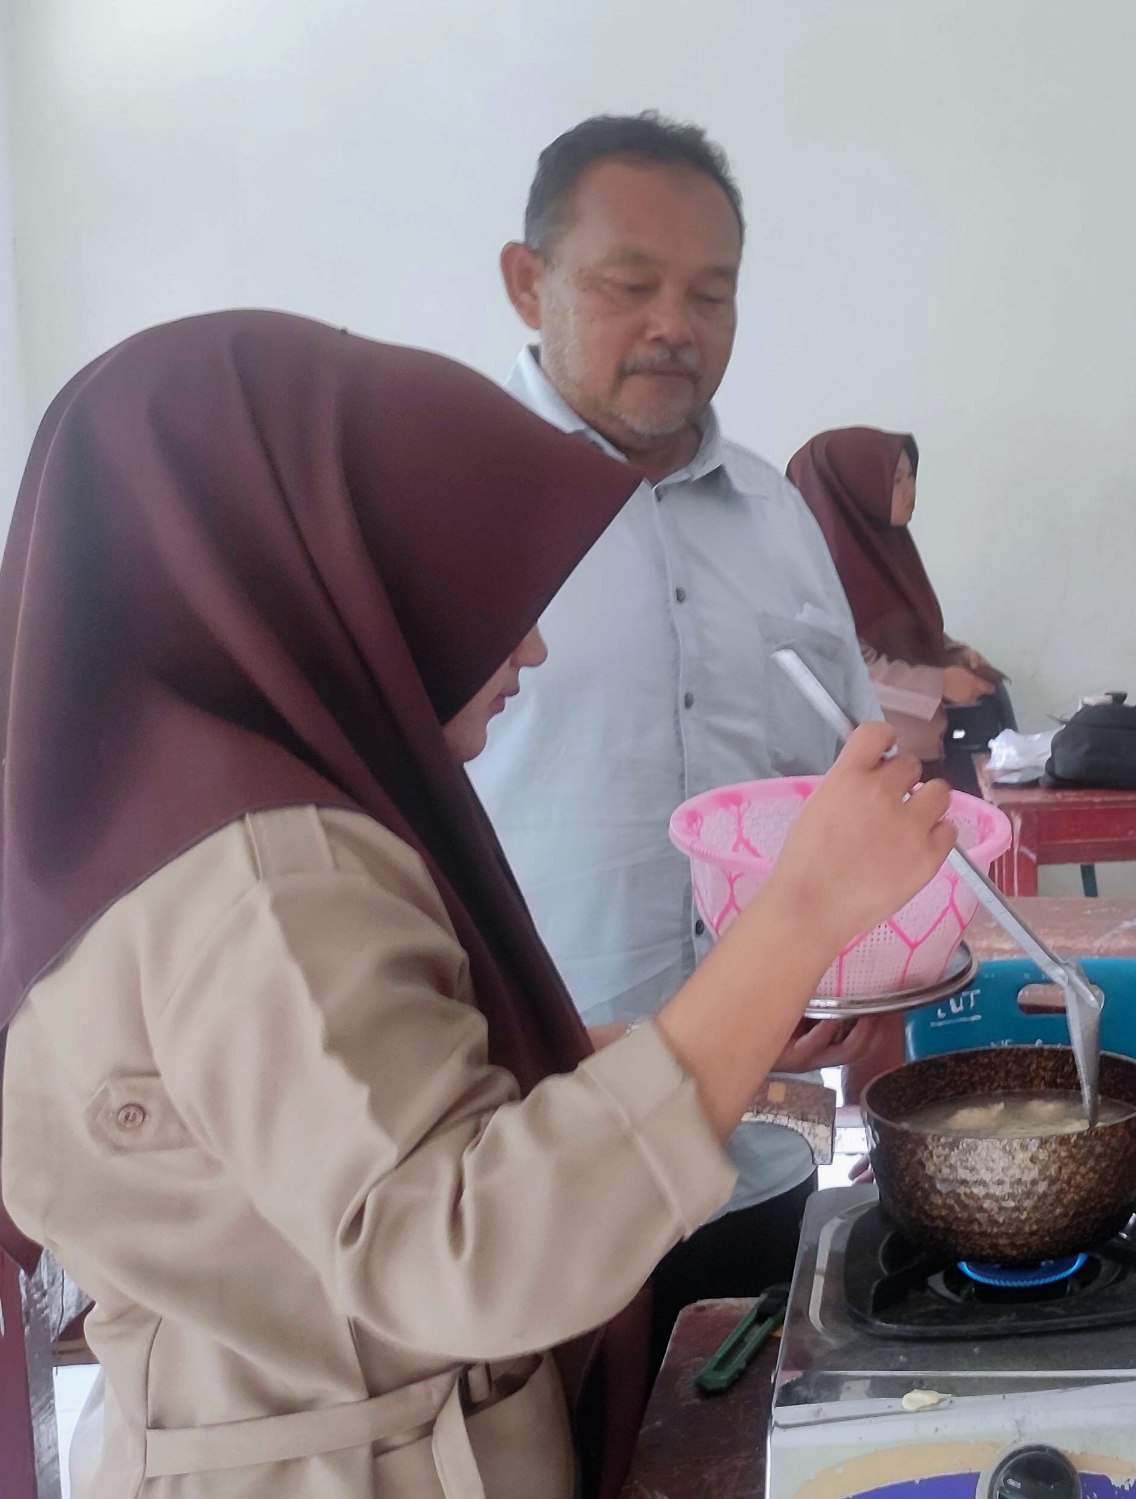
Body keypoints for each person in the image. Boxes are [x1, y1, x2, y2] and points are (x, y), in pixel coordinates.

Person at [0, 312, 957, 1498]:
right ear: (328, 571)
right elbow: (467, 1251)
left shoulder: (169, 828)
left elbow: (318, 1145)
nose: (535, 646)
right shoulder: (271, 877)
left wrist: (724, 1034)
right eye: (475, 584)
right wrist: (799, 912)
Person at [471, 112, 895, 1354]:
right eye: (628, 284)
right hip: (521, 1147)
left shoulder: (775, 516)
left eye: (712, 291)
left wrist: (875, 973)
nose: (676, 321)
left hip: (758, 1132)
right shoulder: (449, 509)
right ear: (526, 281)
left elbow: (848, 780)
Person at [788, 427, 1004, 801]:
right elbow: (845, 673)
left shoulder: (885, 551)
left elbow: (903, 628)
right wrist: (941, 683)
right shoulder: (811, 577)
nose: (910, 491)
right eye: (896, 479)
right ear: (852, 490)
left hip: (923, 753)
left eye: (911, 477)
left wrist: (953, 652)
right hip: (869, 770)